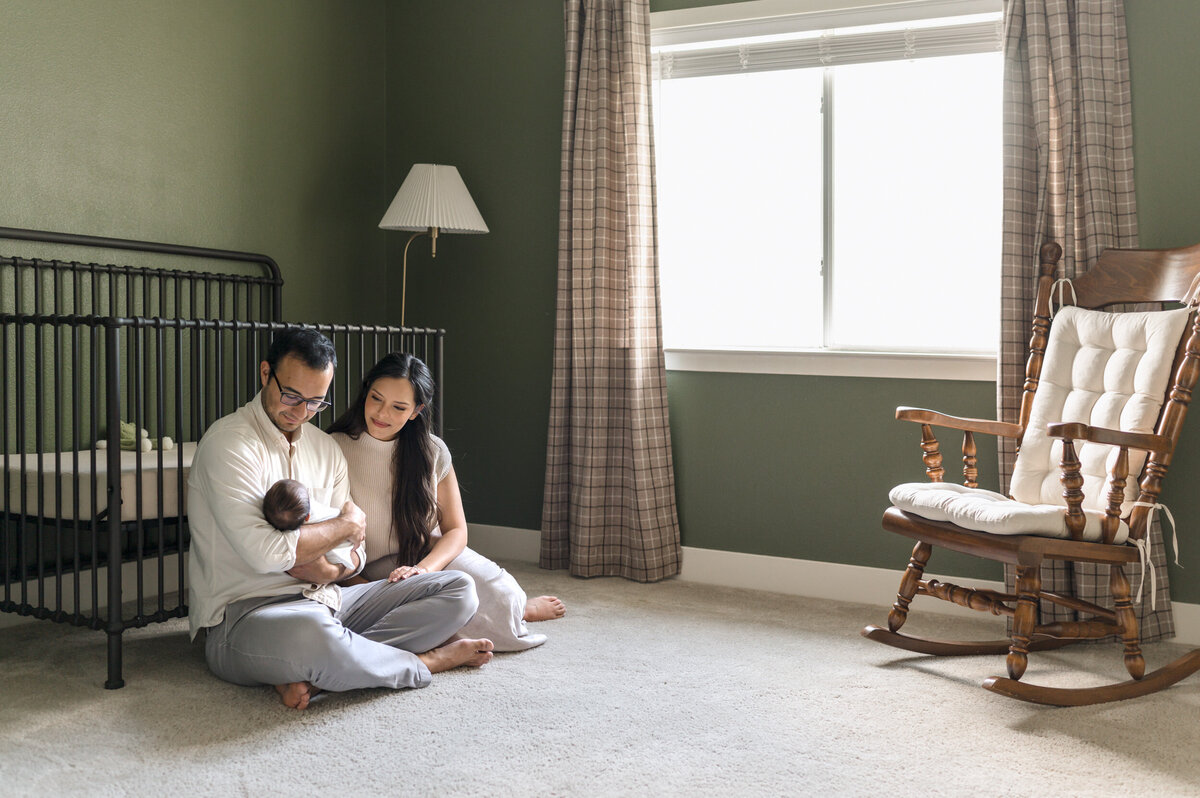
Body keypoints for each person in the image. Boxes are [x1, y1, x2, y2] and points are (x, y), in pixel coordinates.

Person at [187, 328, 494, 710]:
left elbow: (356, 554)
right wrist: (342, 528)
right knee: (311, 633)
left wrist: (328, 569)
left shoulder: (324, 448)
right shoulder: (228, 445)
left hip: (330, 597)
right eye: (291, 396)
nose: (301, 412)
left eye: (316, 402)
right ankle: (422, 662)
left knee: (458, 590)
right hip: (247, 613)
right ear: (266, 373)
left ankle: (323, 667)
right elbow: (266, 555)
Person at [328, 352, 565, 652]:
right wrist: (364, 588)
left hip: (425, 555)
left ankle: (520, 609)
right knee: (427, 614)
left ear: (416, 411)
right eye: (376, 398)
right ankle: (491, 621)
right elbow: (332, 543)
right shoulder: (334, 447)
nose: (381, 413)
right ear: (366, 392)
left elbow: (455, 530)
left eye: (398, 407)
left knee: (502, 597)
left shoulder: (432, 450)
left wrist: (423, 570)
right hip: (369, 571)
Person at [263, 477, 356, 611]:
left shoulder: (276, 533)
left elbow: (359, 550)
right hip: (306, 598)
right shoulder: (316, 513)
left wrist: (331, 572)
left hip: (327, 589)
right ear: (307, 517)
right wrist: (348, 523)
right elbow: (347, 523)